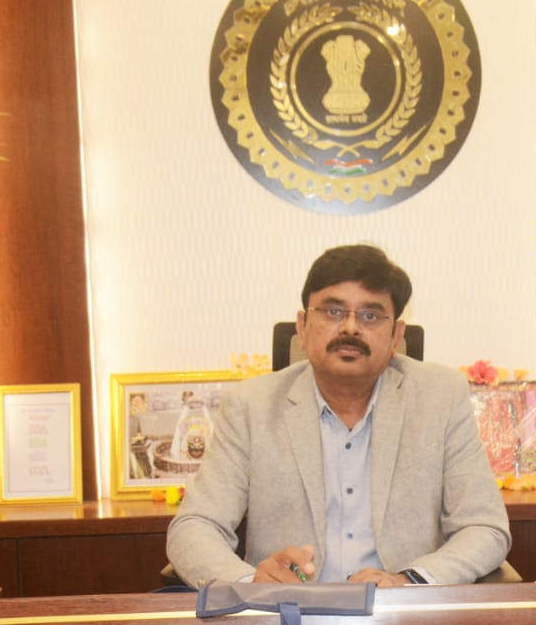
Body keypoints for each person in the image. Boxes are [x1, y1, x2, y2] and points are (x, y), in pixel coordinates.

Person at [166, 244, 511, 587]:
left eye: (370, 315)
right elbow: (194, 527)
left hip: (400, 610)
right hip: (286, 612)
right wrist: (251, 584)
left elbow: (484, 527)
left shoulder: (440, 398)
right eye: (333, 312)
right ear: (302, 327)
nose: (350, 328)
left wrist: (409, 581)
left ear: (396, 336)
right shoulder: (250, 406)